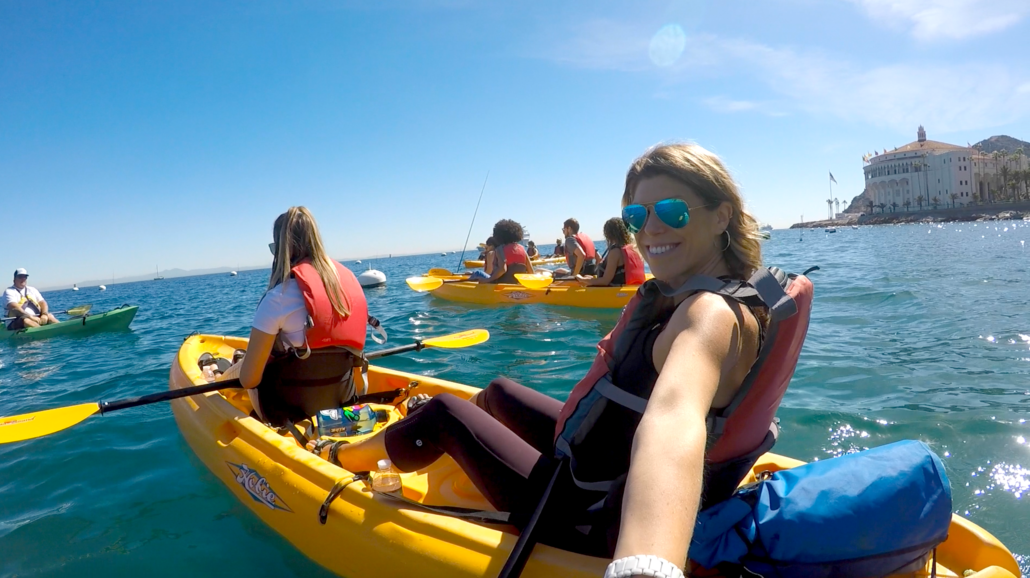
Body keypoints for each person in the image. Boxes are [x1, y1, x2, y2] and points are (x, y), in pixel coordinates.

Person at [309, 144, 813, 576]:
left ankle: (335, 456)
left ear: (721, 214)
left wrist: (647, 564)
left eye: (673, 211)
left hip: (589, 508)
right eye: (637, 216)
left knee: (442, 412)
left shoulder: (706, 315)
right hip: (603, 464)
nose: (650, 228)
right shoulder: (758, 286)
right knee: (499, 392)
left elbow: (674, 426)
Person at [217, 206, 368, 427]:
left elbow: (249, 380)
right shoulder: (350, 286)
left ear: (282, 249)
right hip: (342, 406)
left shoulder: (278, 298)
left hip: (287, 414)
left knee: (244, 370)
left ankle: (216, 376)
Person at [579, 218, 646, 287]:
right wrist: (591, 279)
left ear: (609, 234)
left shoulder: (615, 252)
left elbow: (605, 281)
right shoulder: (634, 248)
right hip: (630, 288)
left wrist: (582, 280)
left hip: (614, 293)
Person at [480, 219, 534, 284]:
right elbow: (531, 272)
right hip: (517, 283)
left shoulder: (500, 249)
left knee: (477, 274)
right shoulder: (522, 249)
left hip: (500, 284)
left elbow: (502, 269)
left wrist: (488, 280)